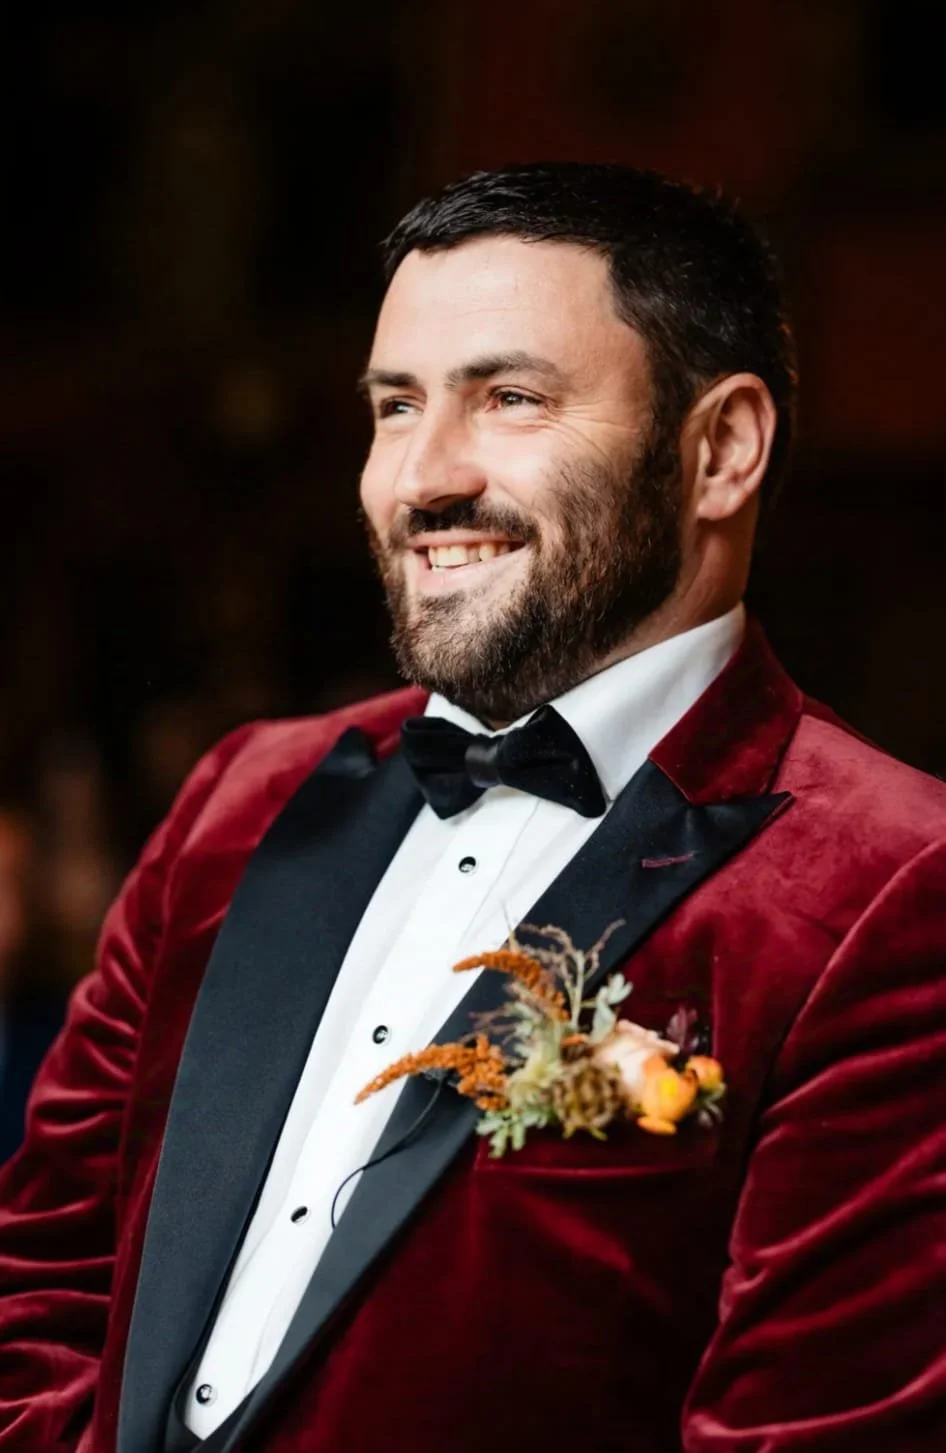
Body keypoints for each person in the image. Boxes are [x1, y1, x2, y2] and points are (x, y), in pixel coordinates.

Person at [0, 162, 944, 1453]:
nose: (423, 478)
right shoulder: (245, 796)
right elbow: (42, 1272)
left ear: (721, 449)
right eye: (396, 406)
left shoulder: (891, 881)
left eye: (510, 399)